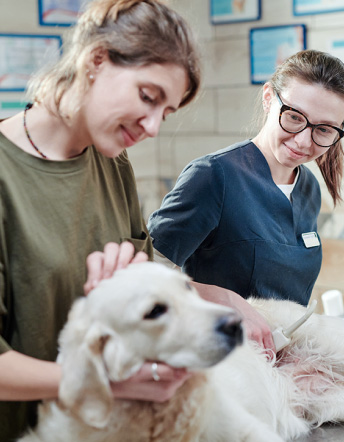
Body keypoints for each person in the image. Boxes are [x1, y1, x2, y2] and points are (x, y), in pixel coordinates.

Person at [0, 0, 201, 440]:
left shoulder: (112, 162)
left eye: (165, 113)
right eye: (148, 98)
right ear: (96, 61)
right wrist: (102, 380)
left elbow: (142, 297)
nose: (153, 127)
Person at [148, 49, 344, 342]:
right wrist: (219, 297)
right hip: (224, 355)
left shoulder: (307, 187)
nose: (303, 141)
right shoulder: (213, 176)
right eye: (295, 117)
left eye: (323, 130)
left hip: (283, 356)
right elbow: (144, 272)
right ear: (269, 98)